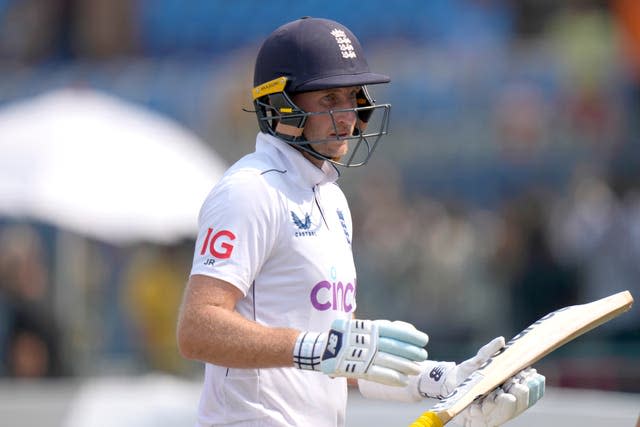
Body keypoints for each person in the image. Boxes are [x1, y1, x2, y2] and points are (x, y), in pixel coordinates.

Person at [177, 17, 545, 427]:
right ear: (281, 104)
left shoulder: (331, 199)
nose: (348, 115)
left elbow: (345, 359)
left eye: (352, 97)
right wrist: (316, 348)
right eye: (329, 99)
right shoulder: (248, 190)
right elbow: (197, 329)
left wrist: (442, 381)